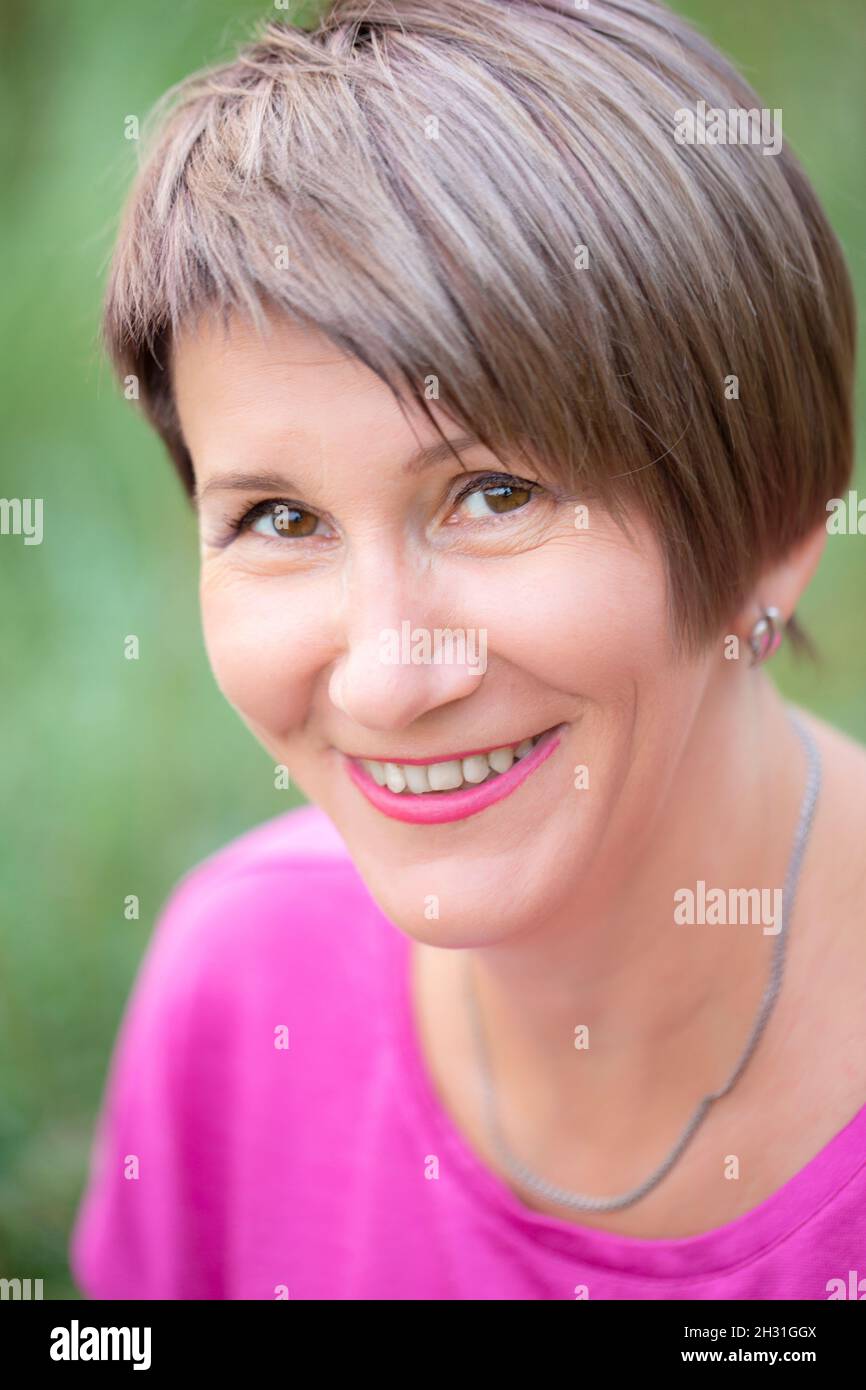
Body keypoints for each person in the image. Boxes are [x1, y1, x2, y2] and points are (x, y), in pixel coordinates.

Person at [70, 0, 866, 1299]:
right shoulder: (237, 980)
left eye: (494, 495)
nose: (389, 673)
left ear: (775, 524)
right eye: (280, 517)